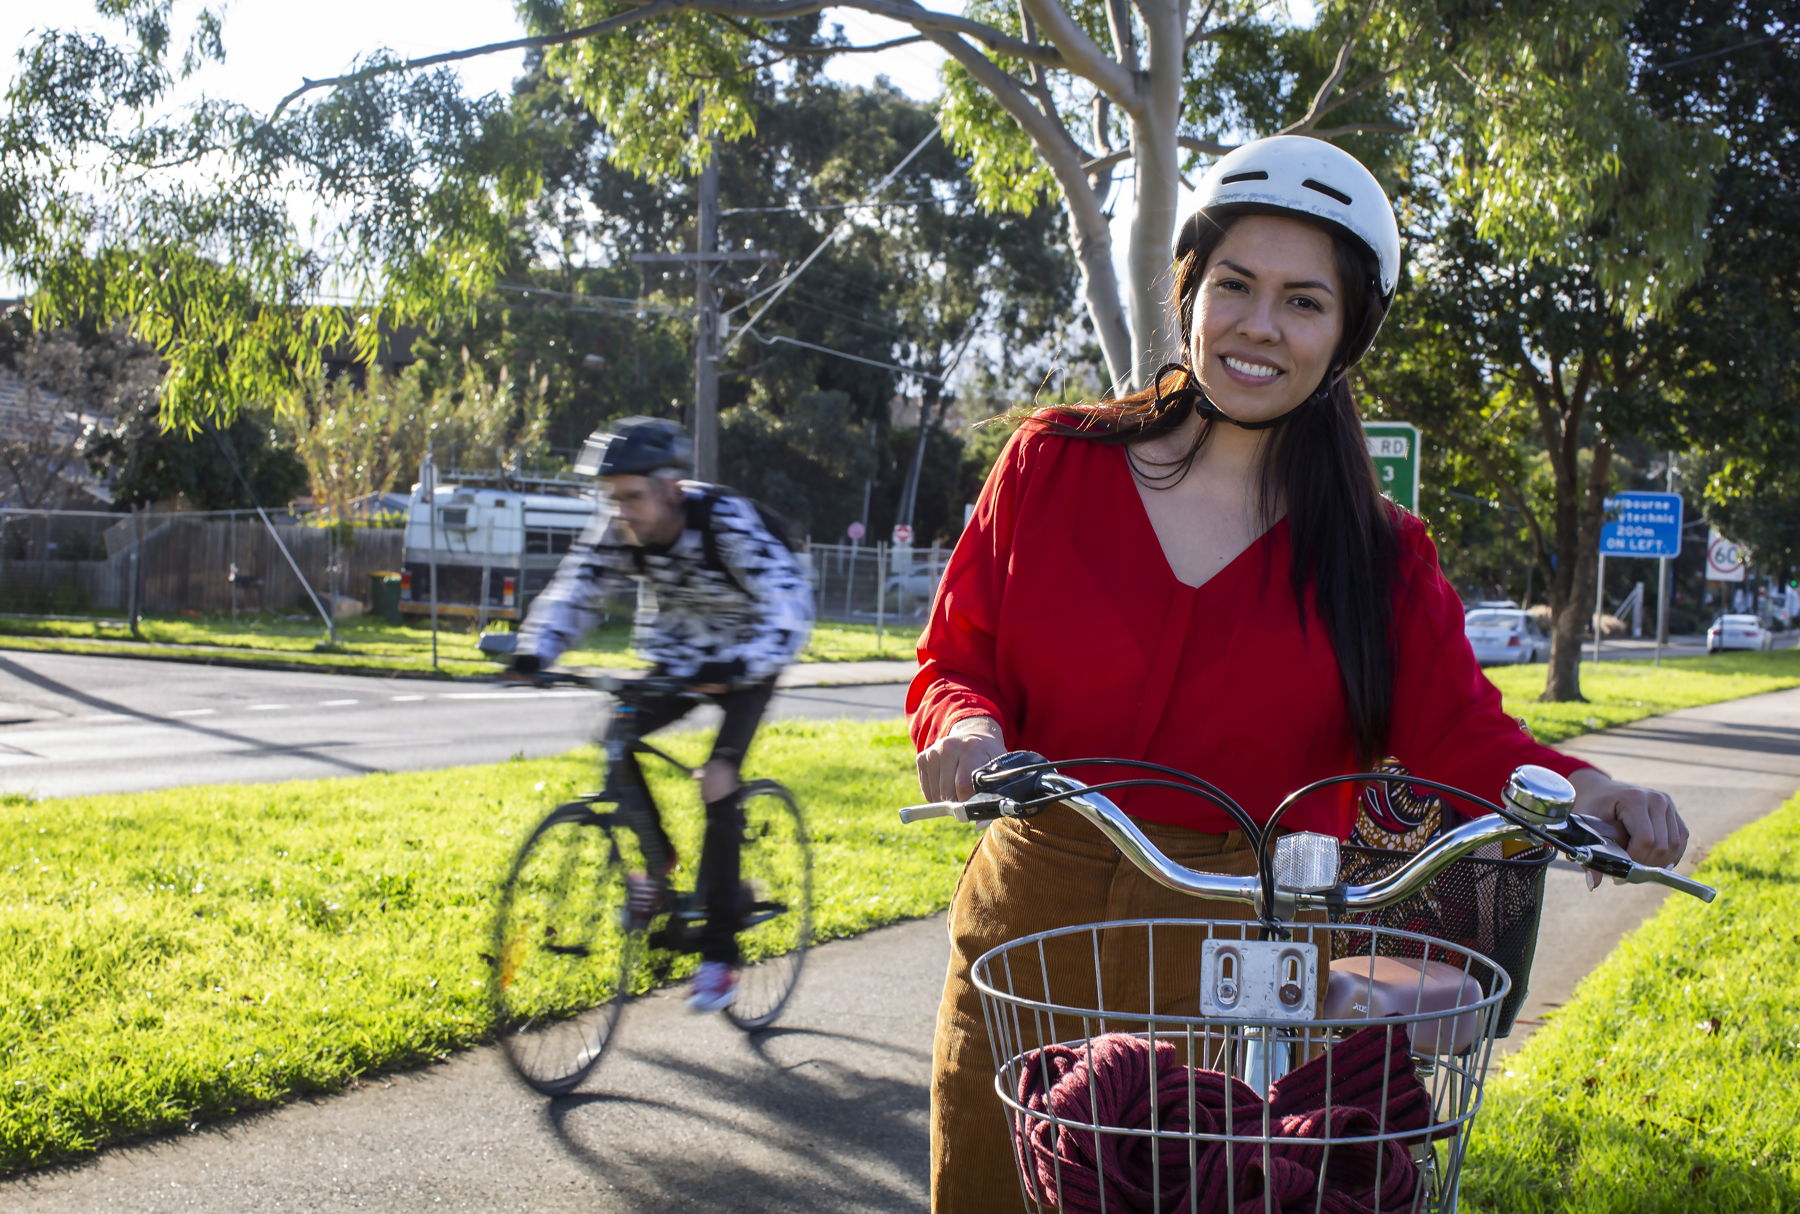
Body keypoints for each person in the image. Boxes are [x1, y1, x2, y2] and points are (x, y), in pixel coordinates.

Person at [906, 135, 1691, 1211]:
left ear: (1346, 332)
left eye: (1303, 300)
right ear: (1190, 291)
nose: (1259, 324)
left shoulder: (1381, 554)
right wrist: (962, 728)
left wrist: (1590, 791)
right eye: (1235, 284)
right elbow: (961, 657)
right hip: (1036, 929)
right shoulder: (1052, 463)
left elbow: (1469, 735)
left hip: (1247, 951)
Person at [508, 417, 814, 1012]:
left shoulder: (723, 520)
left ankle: (720, 956)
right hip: (678, 656)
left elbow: (789, 608)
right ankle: (659, 863)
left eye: (632, 496)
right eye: (613, 498)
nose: (622, 512)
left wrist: (738, 666)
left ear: (671, 487)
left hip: (749, 655)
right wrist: (534, 650)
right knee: (616, 735)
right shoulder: (620, 530)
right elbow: (576, 590)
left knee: (716, 780)